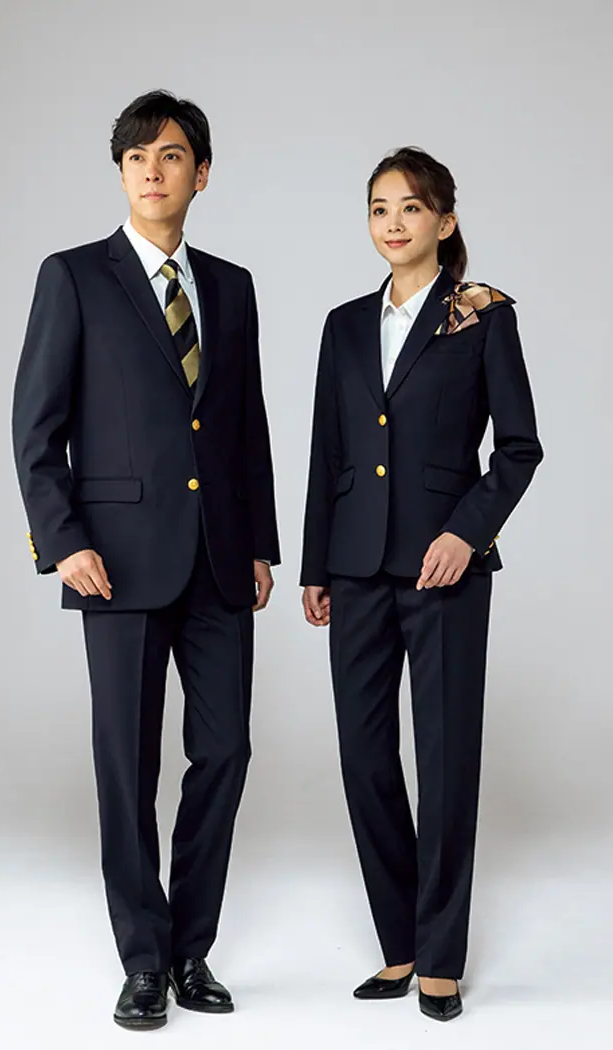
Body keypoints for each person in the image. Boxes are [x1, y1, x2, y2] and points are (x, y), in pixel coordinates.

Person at [12, 90, 280, 1031]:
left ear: (200, 174)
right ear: (121, 173)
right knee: (127, 766)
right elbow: (36, 428)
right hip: (115, 564)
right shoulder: (74, 277)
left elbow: (245, 426)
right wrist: (63, 541)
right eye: (136, 158)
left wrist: (260, 543)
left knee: (226, 750)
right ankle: (142, 960)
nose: (152, 171)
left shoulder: (232, 286)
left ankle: (190, 949)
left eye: (170, 156)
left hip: (219, 562)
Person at [300, 147, 543, 1022]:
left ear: (445, 219)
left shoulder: (482, 315)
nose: (393, 222)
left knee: (443, 764)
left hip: (445, 569)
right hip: (357, 570)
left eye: (410, 207)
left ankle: (440, 959)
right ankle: (399, 941)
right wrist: (316, 565)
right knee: (364, 758)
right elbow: (328, 451)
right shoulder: (341, 324)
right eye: (379, 208)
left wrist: (466, 533)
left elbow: (519, 448)